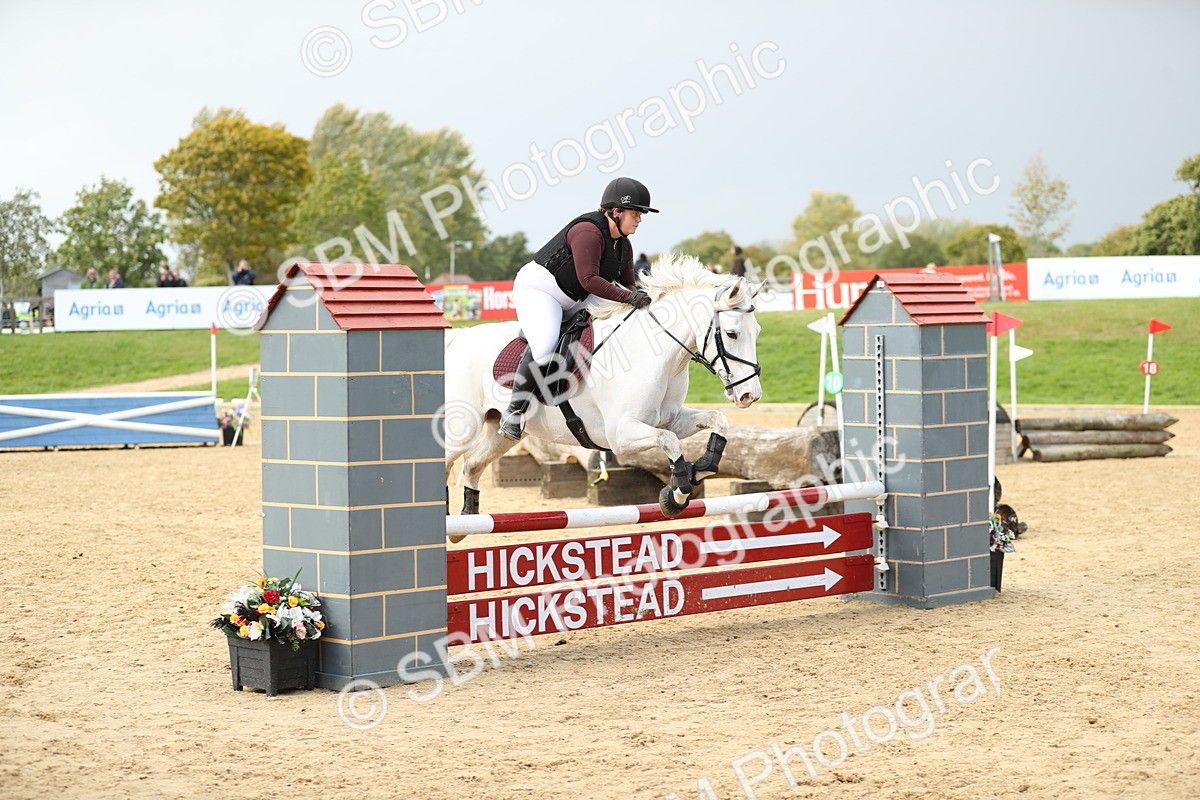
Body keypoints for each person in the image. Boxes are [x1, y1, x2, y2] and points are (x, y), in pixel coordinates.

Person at [499, 176, 658, 440]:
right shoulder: (588, 232)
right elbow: (590, 280)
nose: (639, 219)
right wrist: (629, 298)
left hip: (577, 294)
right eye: (635, 213)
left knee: (623, 316)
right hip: (541, 291)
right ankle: (514, 412)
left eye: (640, 214)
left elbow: (628, 285)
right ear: (616, 212)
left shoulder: (624, 245)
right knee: (546, 344)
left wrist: (644, 300)